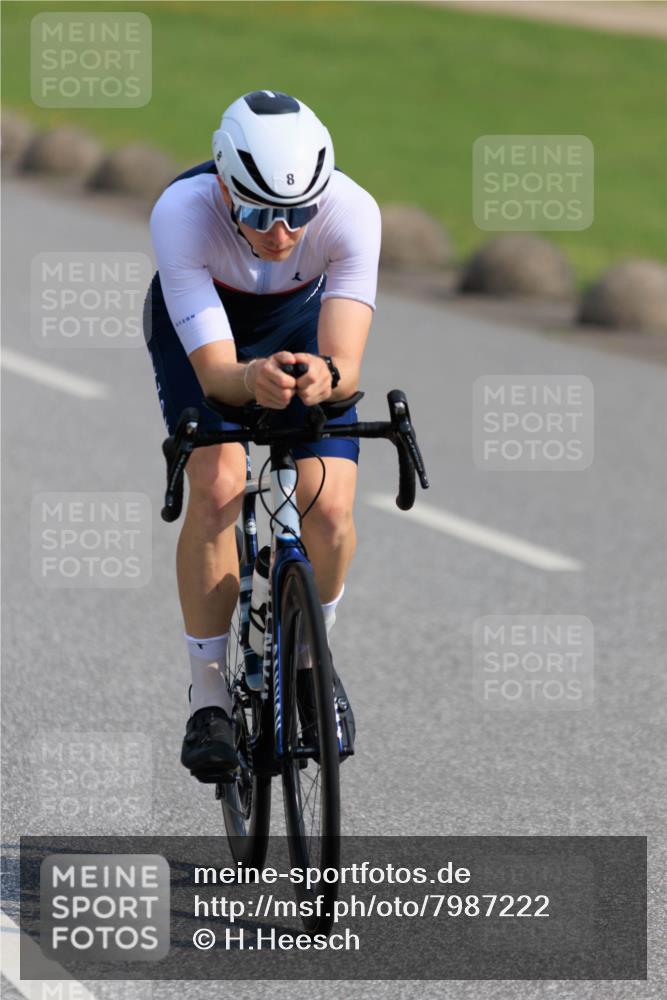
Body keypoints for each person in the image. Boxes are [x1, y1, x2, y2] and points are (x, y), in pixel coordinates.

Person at [144, 90, 381, 782]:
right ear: (223, 186)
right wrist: (253, 381)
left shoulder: (353, 211)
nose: (280, 235)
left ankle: (312, 668)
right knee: (217, 485)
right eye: (256, 213)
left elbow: (346, 364)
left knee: (329, 507)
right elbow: (218, 372)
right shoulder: (181, 213)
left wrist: (320, 377)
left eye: (298, 214)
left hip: (300, 332)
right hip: (207, 336)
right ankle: (210, 698)